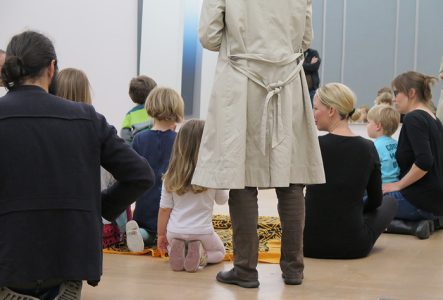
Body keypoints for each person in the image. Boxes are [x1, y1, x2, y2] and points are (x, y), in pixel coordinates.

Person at [0, 31, 154, 299]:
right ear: (51, 67)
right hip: (69, 262)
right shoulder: (87, 118)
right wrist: (101, 206)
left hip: (9, 260)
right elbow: (141, 175)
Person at [194, 0, 325, 288]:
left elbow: (209, 37)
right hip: (287, 80)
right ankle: (294, 268)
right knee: (291, 178)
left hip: (241, 81)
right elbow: (305, 39)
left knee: (242, 177)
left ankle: (244, 269)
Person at [304, 83, 398, 259]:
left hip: (307, 245)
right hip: (353, 246)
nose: (313, 113)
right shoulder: (368, 148)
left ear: (331, 110)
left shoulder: (314, 146)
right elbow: (376, 201)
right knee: (390, 202)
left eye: (315, 108)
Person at [157, 120, 228, 272]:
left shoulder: (170, 176)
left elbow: (164, 210)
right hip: (201, 231)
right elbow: (222, 200)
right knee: (220, 252)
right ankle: (201, 255)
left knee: (171, 246)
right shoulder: (212, 174)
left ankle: (176, 251)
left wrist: (161, 236)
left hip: (175, 231)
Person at [383, 71, 443, 238]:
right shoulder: (434, 119)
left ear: (411, 93)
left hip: (419, 201)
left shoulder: (413, 118)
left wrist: (398, 185)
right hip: (436, 202)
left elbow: (425, 161)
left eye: (396, 93)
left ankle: (413, 226)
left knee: (357, 202)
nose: (394, 99)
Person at [125, 87, 184, 252]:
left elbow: (133, 172)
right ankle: (174, 241)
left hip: (144, 207)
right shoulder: (179, 140)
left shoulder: (139, 139)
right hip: (171, 210)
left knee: (148, 232)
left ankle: (141, 234)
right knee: (172, 232)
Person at [366, 104, 401, 184]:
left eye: (368, 122)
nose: (367, 126)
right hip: (396, 185)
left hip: (381, 188)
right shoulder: (397, 144)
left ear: (378, 126)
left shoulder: (374, 147)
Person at [120, 75, 157, 143]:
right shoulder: (157, 109)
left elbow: (125, 134)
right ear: (153, 94)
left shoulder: (130, 114)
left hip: (137, 146)